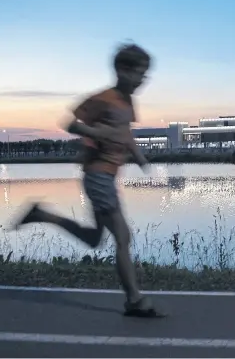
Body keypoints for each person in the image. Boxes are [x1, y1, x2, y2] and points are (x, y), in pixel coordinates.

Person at [12, 43, 164, 318]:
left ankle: (42, 214)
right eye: (140, 74)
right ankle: (134, 300)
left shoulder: (128, 103)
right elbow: (69, 123)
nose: (142, 81)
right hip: (97, 175)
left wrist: (139, 156)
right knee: (122, 236)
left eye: (145, 76)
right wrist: (95, 132)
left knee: (95, 239)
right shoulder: (103, 99)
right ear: (122, 70)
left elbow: (125, 132)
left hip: (107, 177)